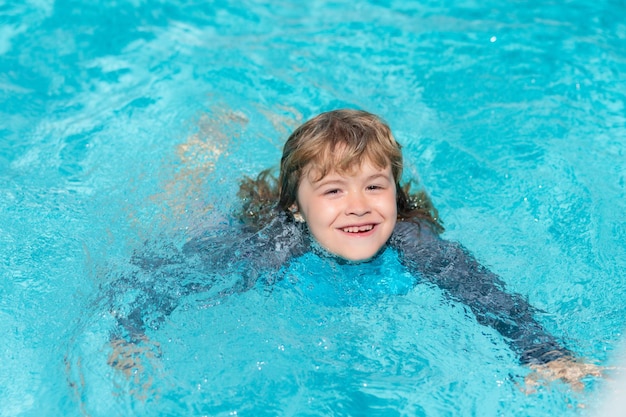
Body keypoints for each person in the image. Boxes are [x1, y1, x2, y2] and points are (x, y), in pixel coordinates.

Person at [106, 109, 598, 391]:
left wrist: (546, 355)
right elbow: (167, 275)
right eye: (334, 190)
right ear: (299, 208)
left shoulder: (414, 240)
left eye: (375, 187)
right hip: (254, 220)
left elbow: (487, 298)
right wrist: (130, 333)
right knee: (186, 213)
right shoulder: (272, 245)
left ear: (394, 193)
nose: (359, 208)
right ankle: (203, 148)